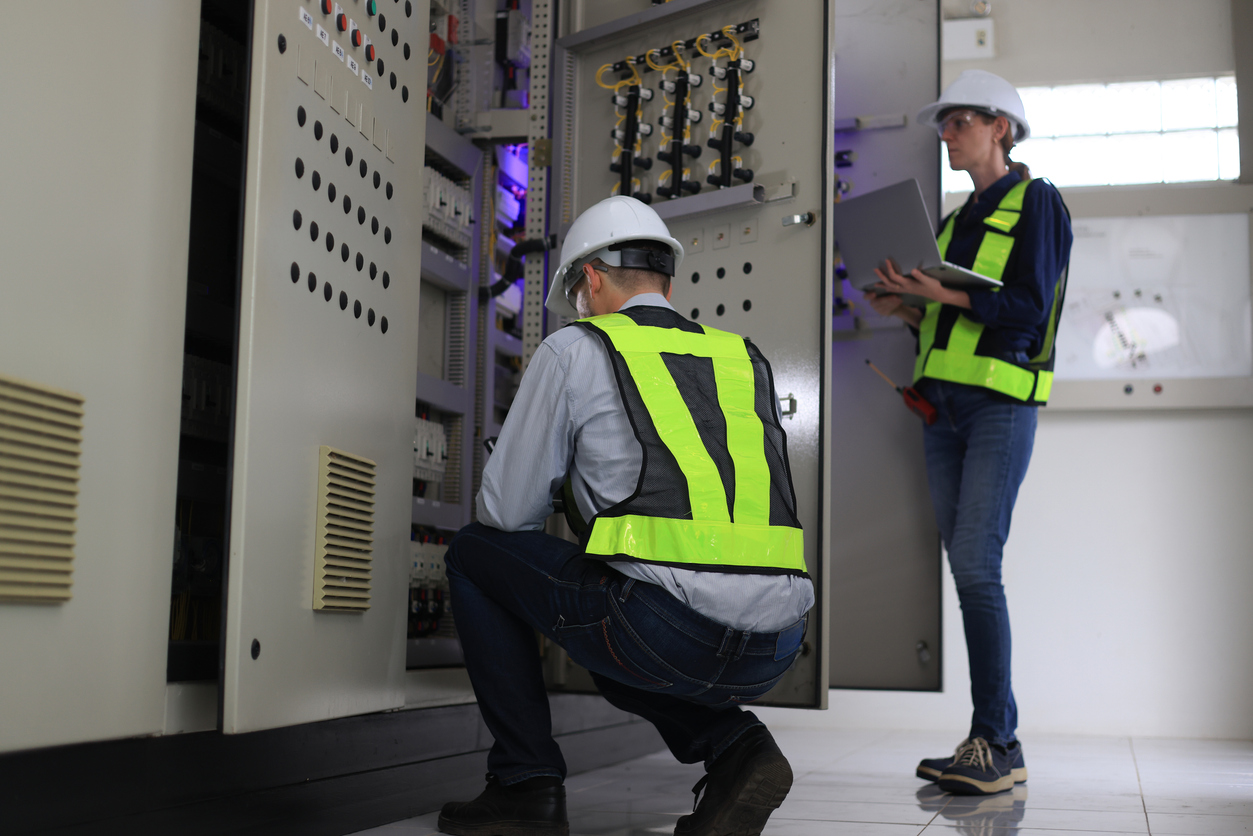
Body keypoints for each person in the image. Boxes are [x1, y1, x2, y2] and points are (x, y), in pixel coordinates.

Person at [438, 195, 814, 836]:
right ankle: (737, 749)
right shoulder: (740, 356)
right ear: (667, 279)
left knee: (475, 553)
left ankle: (523, 782)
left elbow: (506, 512)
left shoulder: (576, 348)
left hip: (662, 631)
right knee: (617, 635)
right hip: (776, 644)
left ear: (588, 279)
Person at [864, 69, 1073, 796]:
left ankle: (998, 742)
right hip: (942, 411)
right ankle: (988, 740)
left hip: (997, 407)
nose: (947, 135)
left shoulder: (1037, 202)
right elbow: (949, 319)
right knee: (968, 571)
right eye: (944, 124)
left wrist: (939, 292)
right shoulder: (951, 224)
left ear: (1000, 128)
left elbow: (1026, 307)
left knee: (978, 568)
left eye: (959, 122)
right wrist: (906, 307)